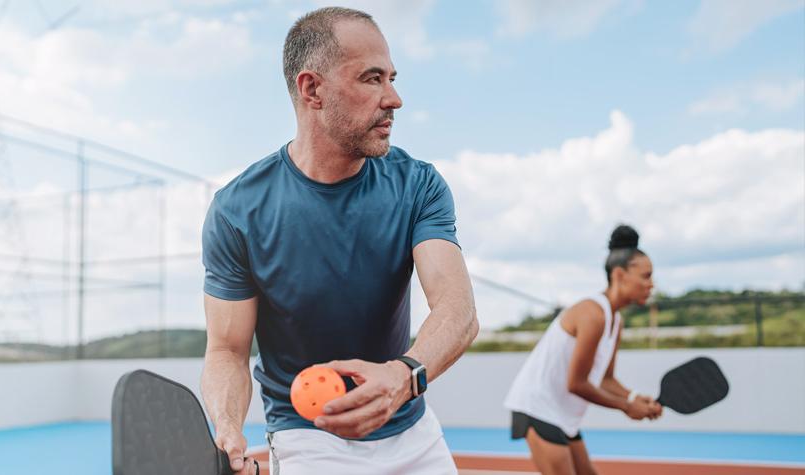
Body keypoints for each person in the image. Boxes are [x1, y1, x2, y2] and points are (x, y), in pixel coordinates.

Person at [199, 6, 478, 474]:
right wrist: (228, 428)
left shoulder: (419, 185)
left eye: (391, 78)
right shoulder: (236, 211)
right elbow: (228, 348)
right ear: (312, 89)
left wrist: (402, 376)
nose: (394, 99)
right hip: (307, 437)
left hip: (412, 428)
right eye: (372, 79)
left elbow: (457, 310)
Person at [503, 225, 664, 474]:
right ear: (620, 275)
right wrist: (626, 407)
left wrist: (633, 397)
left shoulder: (615, 321)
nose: (651, 284)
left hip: (561, 415)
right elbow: (576, 384)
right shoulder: (593, 315)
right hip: (537, 408)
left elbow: (605, 380)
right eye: (646, 276)